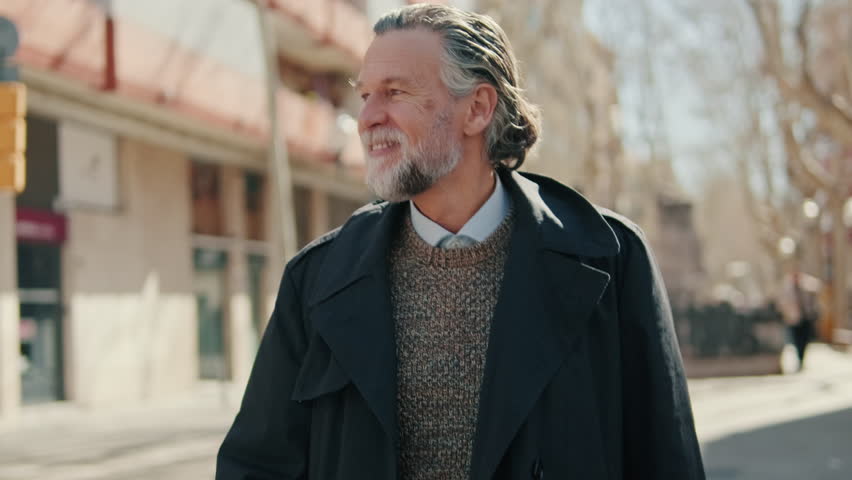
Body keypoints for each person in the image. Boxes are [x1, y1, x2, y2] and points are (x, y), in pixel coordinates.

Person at [216, 4, 705, 479]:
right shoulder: (318, 279)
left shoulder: (610, 258)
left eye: (395, 91)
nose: (367, 117)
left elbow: (666, 461)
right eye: (365, 94)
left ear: (476, 108)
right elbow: (256, 465)